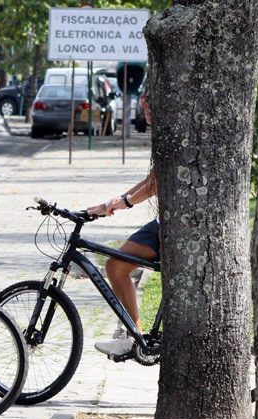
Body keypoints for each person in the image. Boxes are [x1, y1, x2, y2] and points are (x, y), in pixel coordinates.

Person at [86, 90, 157, 357]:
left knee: (116, 266)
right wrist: (114, 201)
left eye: (150, 99)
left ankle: (134, 337)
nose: (145, 105)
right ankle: (135, 337)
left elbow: (155, 184)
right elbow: (152, 178)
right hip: (163, 222)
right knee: (115, 265)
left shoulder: (170, 130)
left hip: (170, 226)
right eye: (142, 99)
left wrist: (124, 203)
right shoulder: (163, 130)